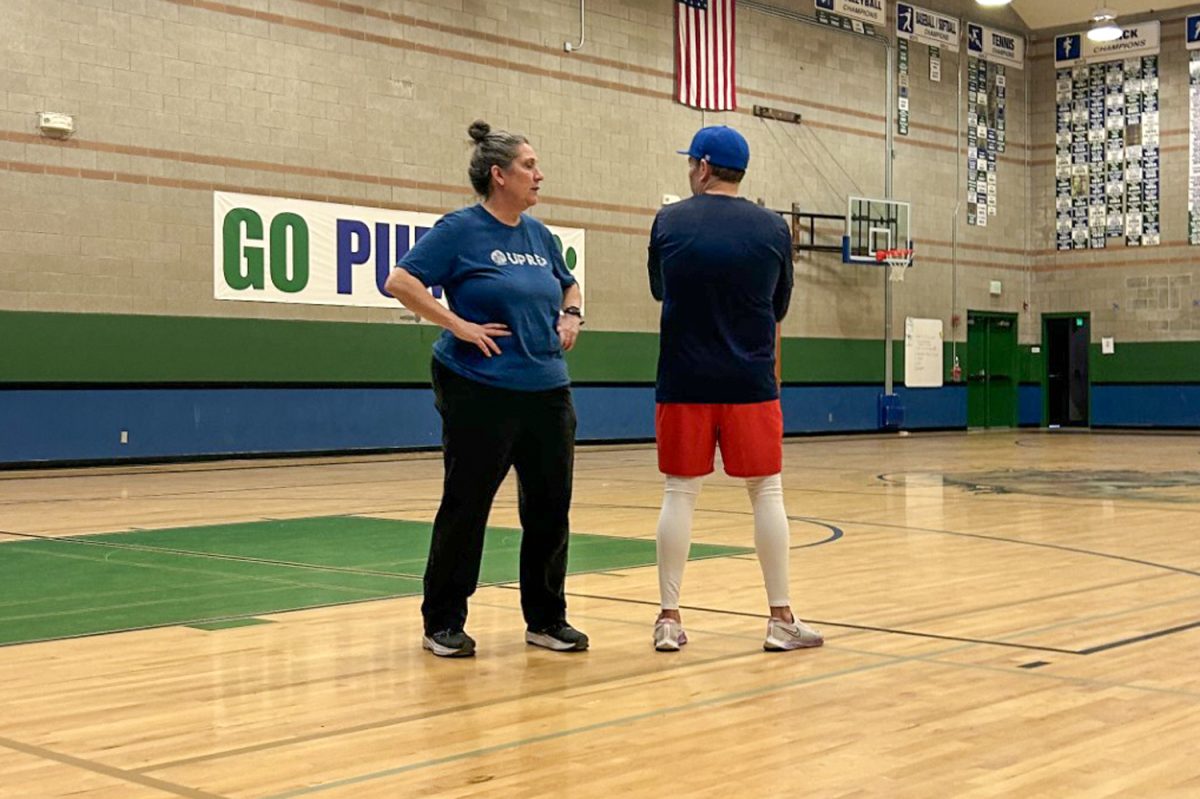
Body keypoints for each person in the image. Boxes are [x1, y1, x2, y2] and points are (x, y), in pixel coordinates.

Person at [384, 120, 588, 658]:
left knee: (550, 506)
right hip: (480, 388)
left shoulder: (539, 234)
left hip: (547, 389)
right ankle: (443, 621)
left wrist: (572, 313)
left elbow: (567, 280)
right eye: (528, 165)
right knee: (467, 505)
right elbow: (400, 281)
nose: (539, 175)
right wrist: (457, 324)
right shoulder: (461, 229)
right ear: (499, 175)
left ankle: (546, 619)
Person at [646, 125, 823, 653]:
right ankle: (780, 619)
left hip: (683, 379)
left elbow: (659, 288)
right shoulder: (773, 229)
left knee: (681, 492)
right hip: (751, 380)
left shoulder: (669, 220)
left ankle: (670, 619)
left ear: (702, 166)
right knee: (766, 492)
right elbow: (780, 306)